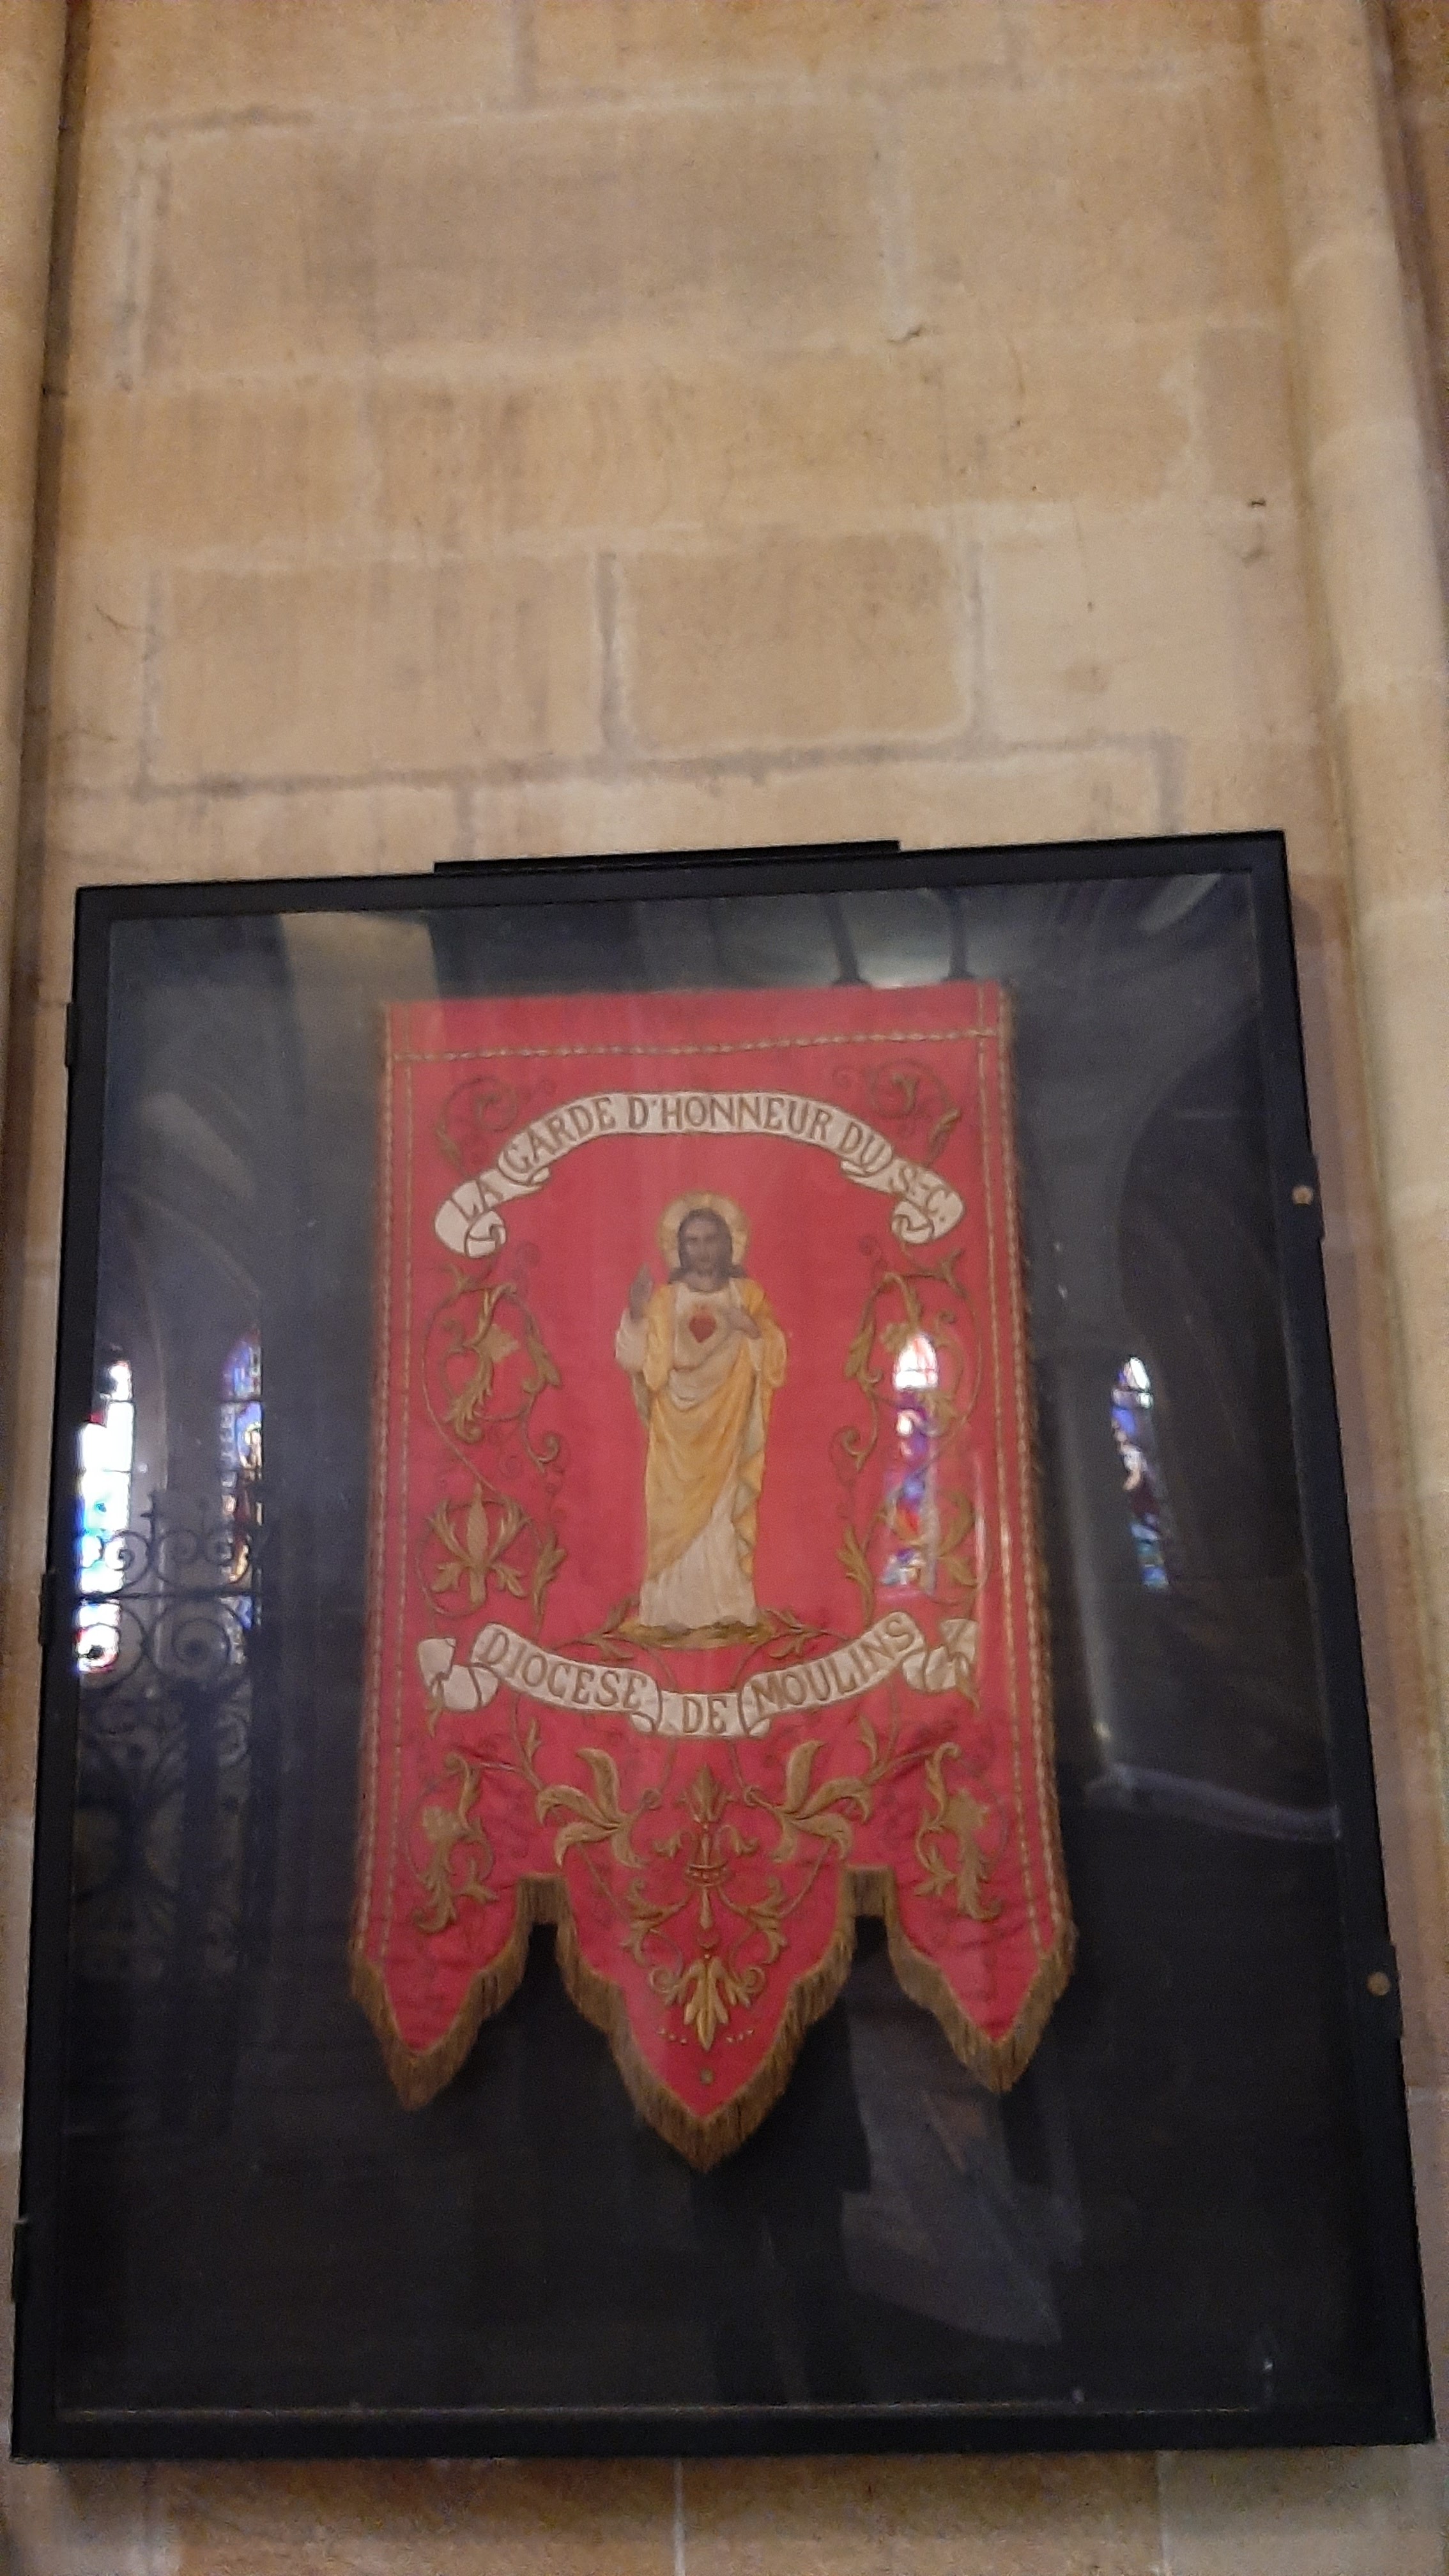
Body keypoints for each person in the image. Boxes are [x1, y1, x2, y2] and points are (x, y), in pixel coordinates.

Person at [613, 1197, 786, 1641]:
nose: (703, 1250)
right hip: (675, 1428)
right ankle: (668, 1610)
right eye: (692, 1241)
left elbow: (774, 1355)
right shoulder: (666, 1300)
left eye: (711, 1240)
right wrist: (636, 1313)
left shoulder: (747, 1296)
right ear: (680, 1248)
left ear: (728, 1244)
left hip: (729, 1421)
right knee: (670, 1513)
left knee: (722, 1514)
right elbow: (638, 1361)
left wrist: (751, 1330)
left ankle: (727, 1606)